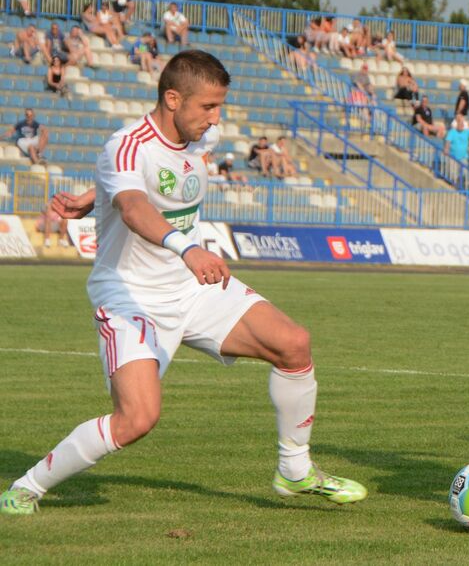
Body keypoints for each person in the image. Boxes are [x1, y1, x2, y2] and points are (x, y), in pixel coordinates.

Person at [0, 50, 366, 517]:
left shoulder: (200, 136)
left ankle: (294, 471)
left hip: (191, 288)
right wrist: (186, 247)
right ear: (172, 99)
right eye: (208, 107)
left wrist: (95, 195)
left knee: (293, 343)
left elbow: (141, 186)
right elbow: (133, 207)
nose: (217, 119)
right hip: (131, 296)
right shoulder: (126, 145)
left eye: (220, 106)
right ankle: (27, 487)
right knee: (138, 419)